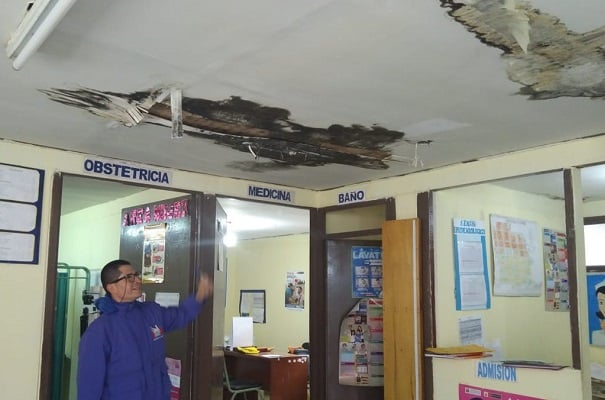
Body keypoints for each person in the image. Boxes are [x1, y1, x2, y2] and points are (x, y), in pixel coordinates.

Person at [77, 259, 213, 400]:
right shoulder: (99, 332)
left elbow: (180, 315)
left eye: (136, 275)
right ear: (112, 287)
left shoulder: (151, 312)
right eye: (129, 277)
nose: (137, 280)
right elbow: (89, 387)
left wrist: (199, 297)